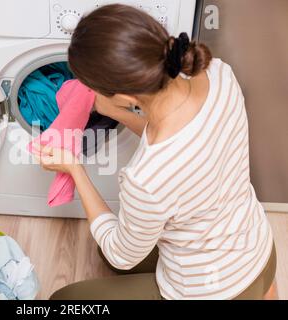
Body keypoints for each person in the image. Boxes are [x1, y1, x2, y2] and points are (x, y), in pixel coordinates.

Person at [35, 4, 276, 299]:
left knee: (65, 299)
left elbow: (120, 255)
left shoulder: (146, 179)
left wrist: (75, 168)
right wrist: (118, 111)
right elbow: (180, 137)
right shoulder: (219, 72)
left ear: (126, 96)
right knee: (112, 242)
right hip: (259, 251)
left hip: (212, 292)